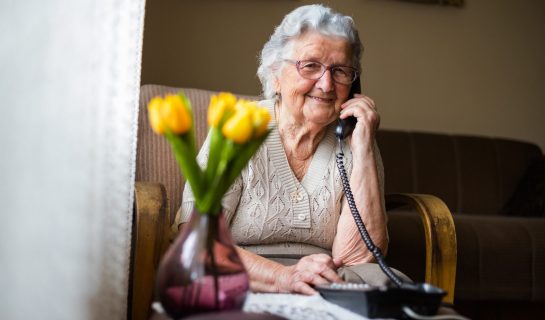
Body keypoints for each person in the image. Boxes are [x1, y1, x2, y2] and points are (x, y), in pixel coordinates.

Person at [175, 4, 409, 295]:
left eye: (340, 71)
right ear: (275, 74)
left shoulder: (354, 136)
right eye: (310, 65)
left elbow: (359, 260)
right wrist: (284, 277)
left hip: (327, 283)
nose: (326, 84)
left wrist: (362, 151)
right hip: (244, 277)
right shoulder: (238, 129)